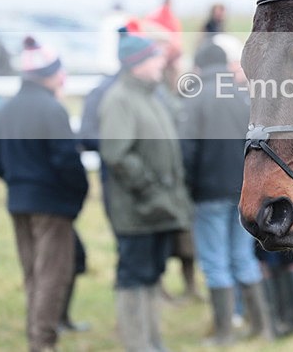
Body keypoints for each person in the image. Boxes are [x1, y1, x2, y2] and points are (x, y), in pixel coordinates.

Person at [0, 37, 88, 352]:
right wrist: (77, 193)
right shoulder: (51, 109)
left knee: (33, 273)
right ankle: (42, 342)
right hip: (51, 205)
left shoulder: (5, 111)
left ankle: (36, 333)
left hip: (18, 201)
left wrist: (18, 184)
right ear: (48, 74)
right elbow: (66, 161)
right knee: (51, 276)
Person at [99, 30, 192, 352]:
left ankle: (153, 341)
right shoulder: (120, 100)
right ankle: (137, 343)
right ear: (136, 64)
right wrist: (151, 189)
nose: (160, 62)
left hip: (159, 209)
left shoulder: (152, 95)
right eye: (153, 57)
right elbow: (117, 154)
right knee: (134, 277)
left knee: (152, 274)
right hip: (137, 210)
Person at [178, 40, 272, 344]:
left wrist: (188, 187)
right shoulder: (244, 97)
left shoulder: (194, 99)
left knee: (215, 261)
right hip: (245, 191)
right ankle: (261, 327)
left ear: (199, 67)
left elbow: (187, 150)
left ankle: (224, 333)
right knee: (242, 257)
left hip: (208, 192)